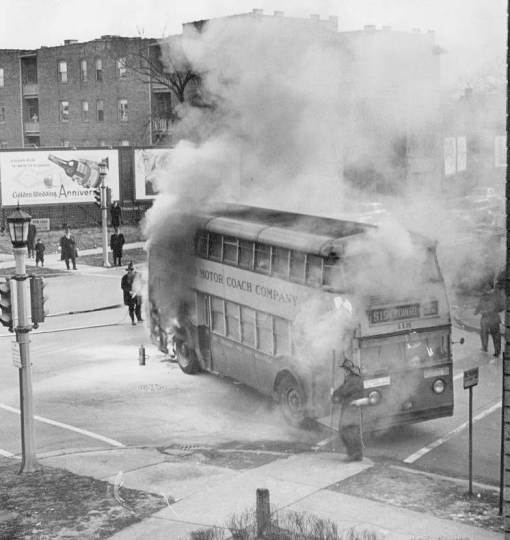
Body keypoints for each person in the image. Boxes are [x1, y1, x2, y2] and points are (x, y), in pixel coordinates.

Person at [331, 358, 364, 462]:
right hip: (352, 407)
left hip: (351, 407)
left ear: (347, 370)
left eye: (344, 370)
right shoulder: (352, 378)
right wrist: (335, 394)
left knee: (345, 431)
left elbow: (344, 390)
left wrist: (335, 394)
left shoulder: (353, 379)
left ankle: (353, 454)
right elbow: (342, 389)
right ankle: (357, 454)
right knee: (352, 431)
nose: (343, 372)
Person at [474, 285, 502, 357]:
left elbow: (477, 310)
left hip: (488, 319)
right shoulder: (494, 297)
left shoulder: (483, 298)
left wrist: (478, 312)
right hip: (492, 319)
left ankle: (485, 348)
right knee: (494, 336)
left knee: (485, 334)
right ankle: (496, 351)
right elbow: (500, 308)